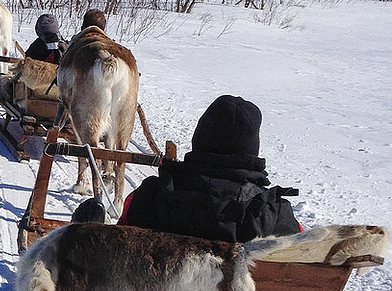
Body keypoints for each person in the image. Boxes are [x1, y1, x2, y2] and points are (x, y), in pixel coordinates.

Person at [117, 95, 302, 242]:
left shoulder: (149, 197)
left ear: (199, 137)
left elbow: (114, 246)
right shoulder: (276, 215)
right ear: (252, 148)